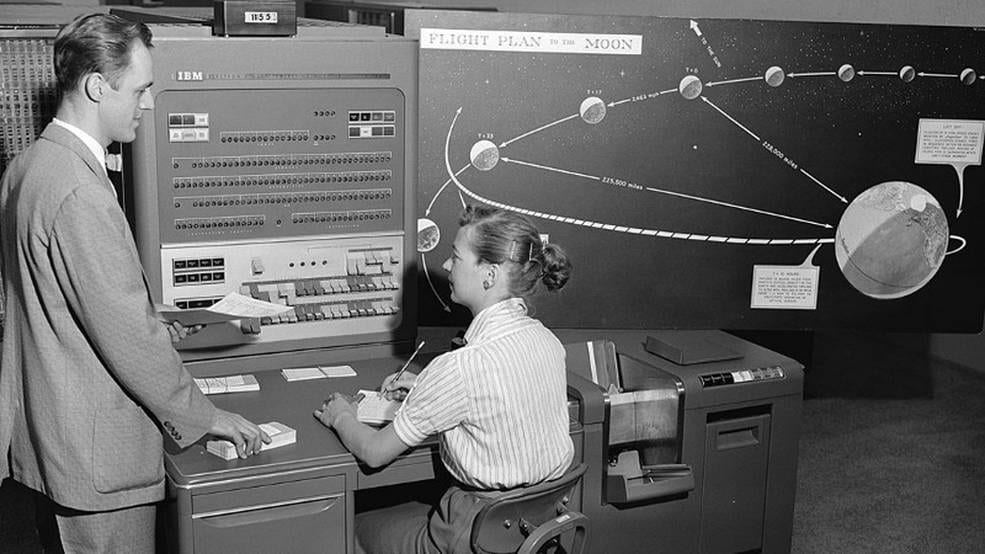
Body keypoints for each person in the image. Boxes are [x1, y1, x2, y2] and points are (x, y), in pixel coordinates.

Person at [0, 13, 269, 552]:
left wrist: (151, 318)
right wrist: (206, 414)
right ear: (98, 86)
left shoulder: (28, 167)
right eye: (142, 89)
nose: (148, 104)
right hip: (98, 459)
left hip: (51, 432)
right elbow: (126, 338)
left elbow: (57, 305)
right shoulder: (80, 190)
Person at [314, 204, 575, 553]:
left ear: (490, 275)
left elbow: (375, 454)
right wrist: (424, 387)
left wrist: (341, 415)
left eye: (456, 257)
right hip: (535, 531)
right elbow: (496, 401)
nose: (447, 266)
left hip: (474, 532)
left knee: (353, 527)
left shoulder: (461, 367)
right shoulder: (547, 342)